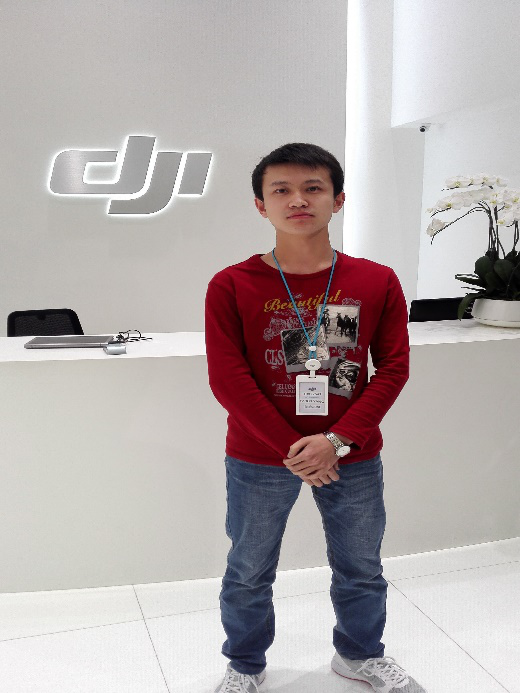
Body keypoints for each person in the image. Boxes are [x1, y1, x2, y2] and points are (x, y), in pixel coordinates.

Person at [205, 143, 426, 693]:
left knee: (361, 566)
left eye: (313, 188)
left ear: (338, 200)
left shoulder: (376, 280)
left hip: (352, 455)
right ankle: (245, 665)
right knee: (248, 569)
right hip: (259, 456)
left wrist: (337, 440)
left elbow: (393, 368)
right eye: (281, 190)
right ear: (261, 205)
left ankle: (359, 655)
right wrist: (297, 448)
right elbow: (228, 380)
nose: (298, 200)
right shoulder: (231, 284)